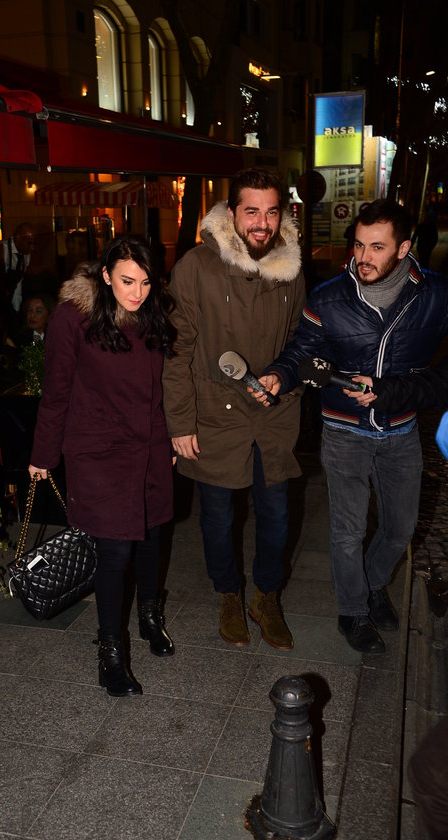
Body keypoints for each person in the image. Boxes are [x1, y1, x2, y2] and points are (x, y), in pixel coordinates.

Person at [256, 199, 448, 654]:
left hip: (401, 430)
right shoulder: (328, 297)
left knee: (400, 529)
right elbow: (302, 355)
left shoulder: (436, 295)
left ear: (403, 249)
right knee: (348, 531)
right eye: (359, 245)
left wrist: (391, 391)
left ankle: (373, 583)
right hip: (344, 431)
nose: (363, 257)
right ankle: (353, 611)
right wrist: (279, 375)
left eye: (377, 247)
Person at [162, 167, 306, 650]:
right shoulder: (196, 266)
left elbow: (300, 341)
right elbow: (176, 351)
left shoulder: (290, 268)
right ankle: (228, 594)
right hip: (215, 414)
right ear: (231, 213)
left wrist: (283, 375)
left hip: (274, 412)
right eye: (252, 211)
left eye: (271, 212)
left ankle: (266, 597)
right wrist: (180, 423)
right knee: (218, 517)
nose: (262, 223)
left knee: (276, 515)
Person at [28, 235, 176, 697]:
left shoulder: (152, 310)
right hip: (99, 450)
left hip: (149, 444)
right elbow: (56, 390)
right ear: (106, 274)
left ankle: (149, 616)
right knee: (114, 552)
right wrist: (42, 455)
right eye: (127, 281)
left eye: (146, 282)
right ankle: (111, 652)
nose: (137, 292)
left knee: (151, 536)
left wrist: (170, 436)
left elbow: (164, 383)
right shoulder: (73, 317)